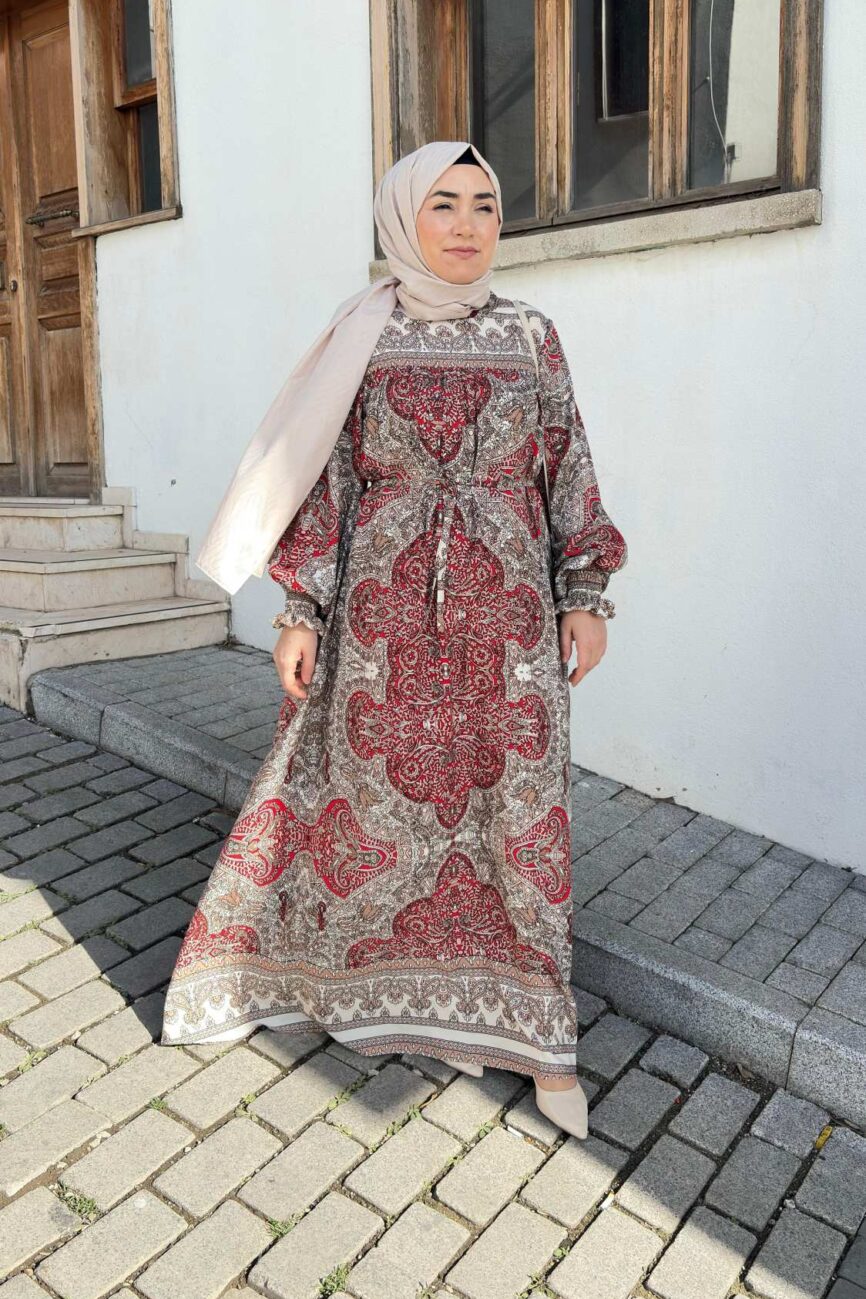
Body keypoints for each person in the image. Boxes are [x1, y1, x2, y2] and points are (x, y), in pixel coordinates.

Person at [160, 141, 628, 1142]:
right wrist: (301, 611)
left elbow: (567, 467)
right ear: (402, 219)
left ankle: (541, 1040)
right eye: (442, 204)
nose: (466, 225)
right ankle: (408, 1002)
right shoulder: (362, 337)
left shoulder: (531, 336)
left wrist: (584, 591)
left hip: (506, 632)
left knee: (516, 822)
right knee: (378, 815)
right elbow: (329, 484)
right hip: (384, 625)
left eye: (485, 206)